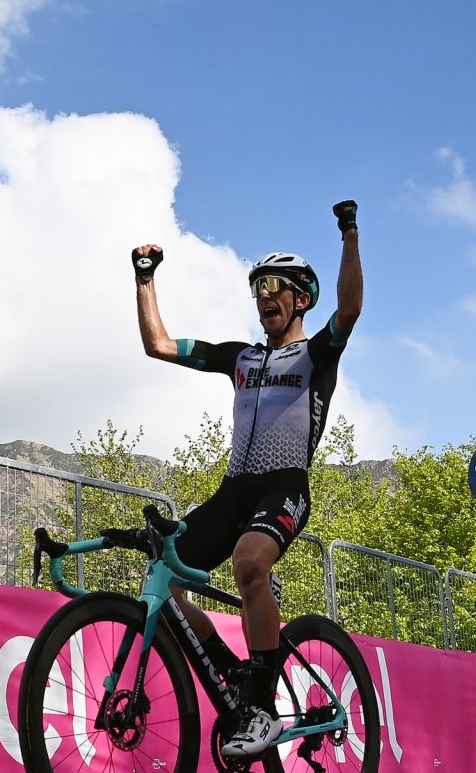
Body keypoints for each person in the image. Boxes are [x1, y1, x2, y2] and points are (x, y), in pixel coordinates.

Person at [128, 199, 363, 758]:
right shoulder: (240, 358)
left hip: (285, 486)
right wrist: (144, 278)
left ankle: (261, 707)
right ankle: (235, 673)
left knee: (249, 563)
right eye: (257, 289)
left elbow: (350, 309)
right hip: (232, 491)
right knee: (165, 572)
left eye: (275, 286)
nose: (264, 297)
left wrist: (349, 232)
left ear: (301, 297)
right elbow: (158, 345)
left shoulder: (315, 355)